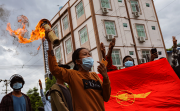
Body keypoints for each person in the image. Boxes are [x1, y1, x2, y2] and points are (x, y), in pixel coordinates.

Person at [45, 29, 111, 111]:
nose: (88, 56)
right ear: (77, 61)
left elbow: (106, 97)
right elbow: (54, 69)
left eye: (89, 54)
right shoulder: (72, 75)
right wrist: (50, 44)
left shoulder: (95, 76)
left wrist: (105, 77)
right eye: (85, 54)